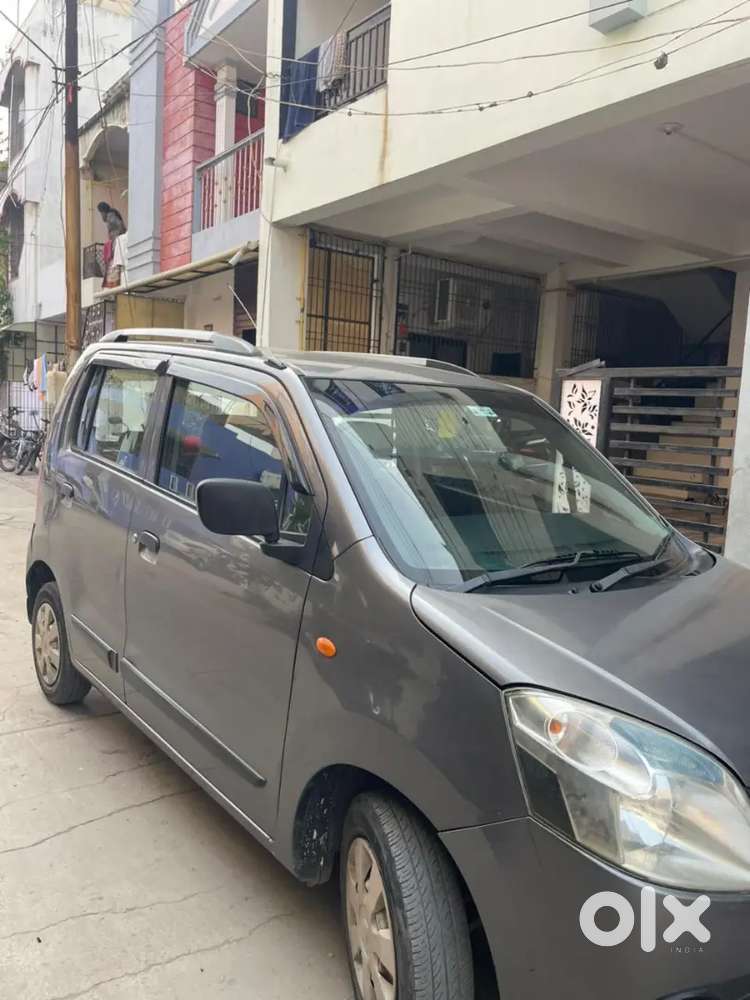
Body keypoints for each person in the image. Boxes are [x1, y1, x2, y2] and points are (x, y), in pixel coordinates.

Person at [97, 202, 127, 287]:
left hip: (117, 244)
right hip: (116, 243)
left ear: (103, 212)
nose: (101, 216)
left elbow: (120, 226)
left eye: (101, 213)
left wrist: (118, 237)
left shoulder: (110, 216)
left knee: (114, 266)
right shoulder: (111, 215)